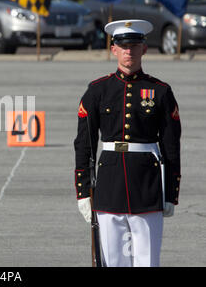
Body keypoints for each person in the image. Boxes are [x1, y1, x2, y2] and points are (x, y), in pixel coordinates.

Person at [74, 19, 181, 267]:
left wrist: (170, 193)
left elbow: (171, 146)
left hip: (147, 184)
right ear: (113, 49)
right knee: (113, 260)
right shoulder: (97, 91)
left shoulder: (160, 92)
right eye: (123, 46)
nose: (129, 51)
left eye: (134, 46)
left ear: (144, 49)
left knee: (148, 259)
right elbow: (85, 144)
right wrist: (83, 191)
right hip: (110, 185)